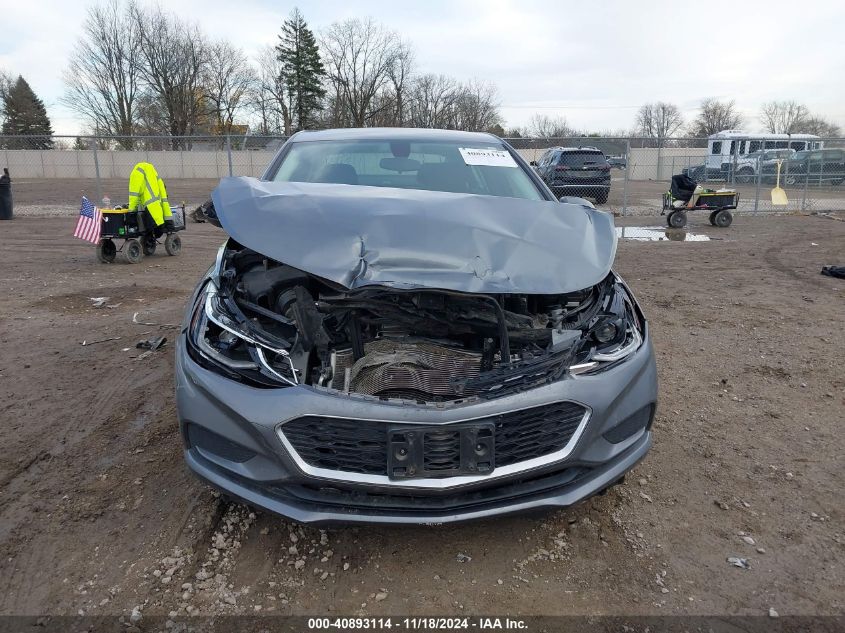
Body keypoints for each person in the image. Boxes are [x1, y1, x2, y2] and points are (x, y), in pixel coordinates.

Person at [127, 162, 173, 236]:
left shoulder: (136, 174)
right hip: (159, 211)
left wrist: (131, 212)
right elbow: (163, 192)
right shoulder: (153, 173)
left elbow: (134, 195)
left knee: (149, 230)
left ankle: (149, 239)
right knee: (156, 231)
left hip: (150, 212)